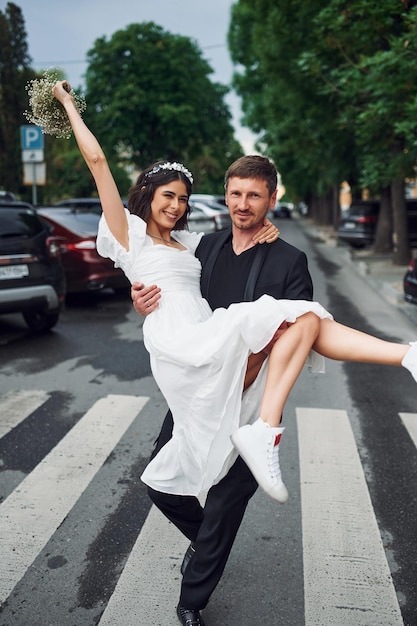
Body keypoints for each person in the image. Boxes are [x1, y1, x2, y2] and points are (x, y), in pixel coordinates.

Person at [51, 80, 416, 626]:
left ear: (271, 200)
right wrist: (66, 106)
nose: (176, 206)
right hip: (192, 356)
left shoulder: (246, 251)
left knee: (304, 318)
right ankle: (209, 545)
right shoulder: (168, 239)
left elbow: (289, 331)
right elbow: (103, 171)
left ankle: (194, 594)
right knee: (161, 481)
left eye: (181, 197)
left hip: (243, 385)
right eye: (167, 196)